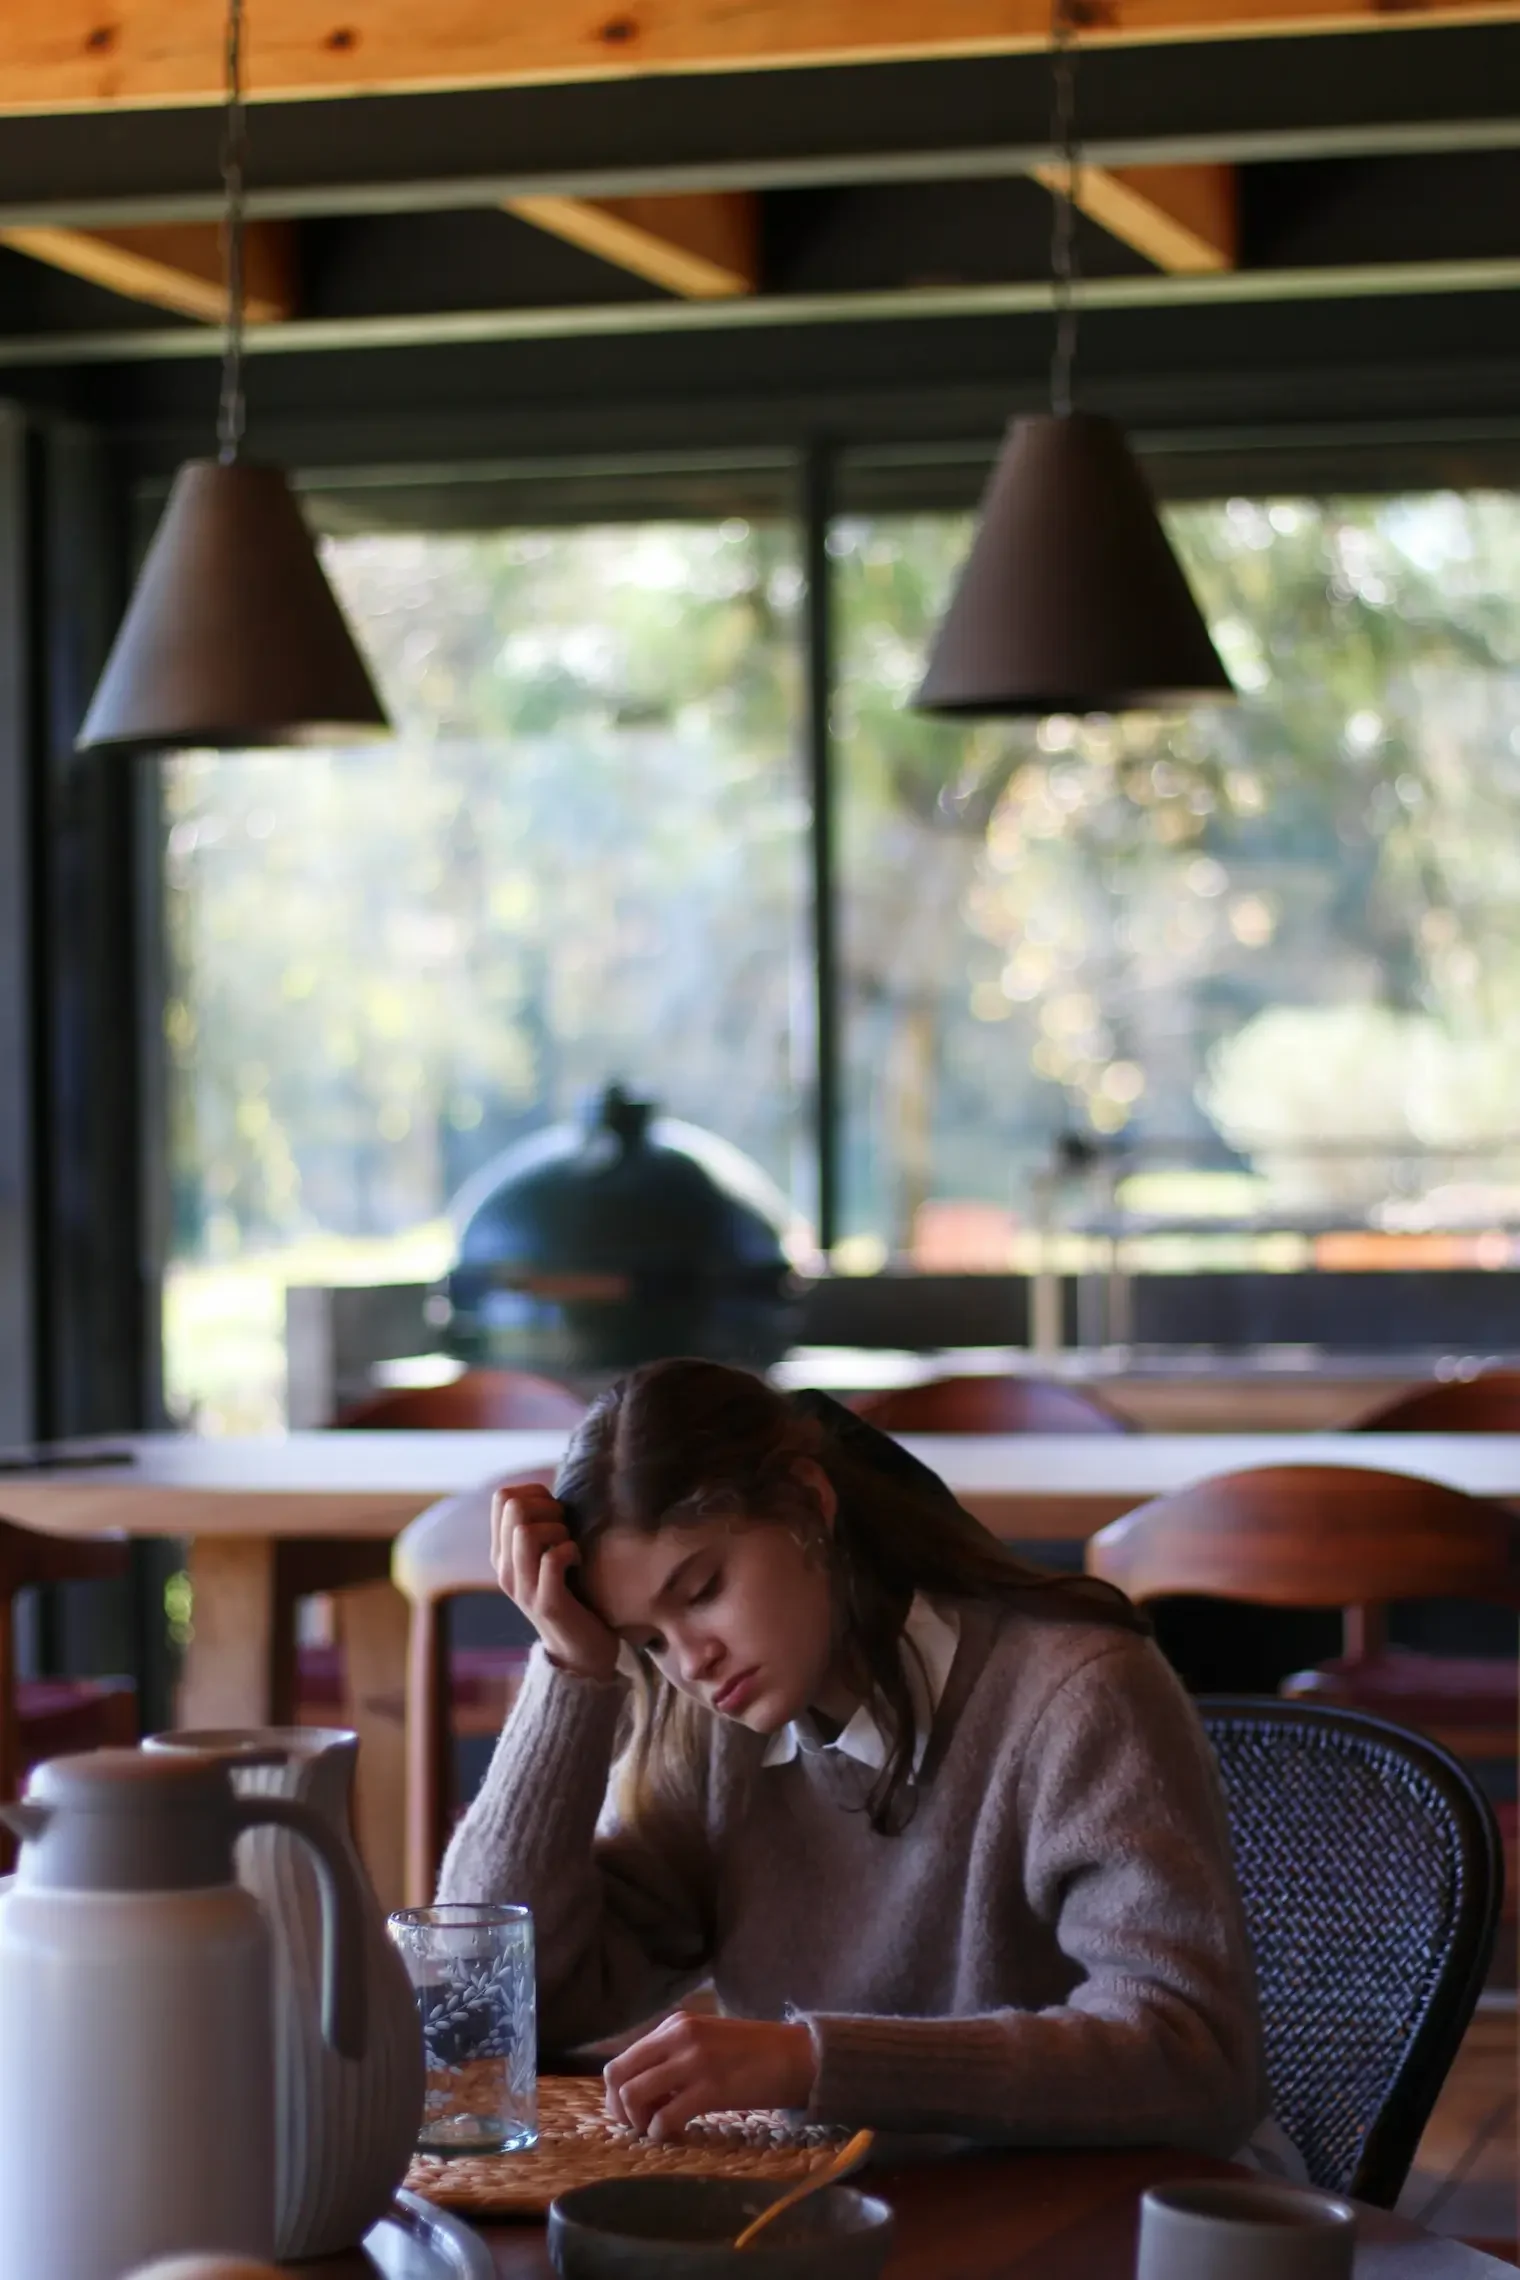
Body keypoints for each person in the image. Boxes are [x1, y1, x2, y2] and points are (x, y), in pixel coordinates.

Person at [439, 1357, 1274, 2157]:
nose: (691, 1662)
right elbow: (493, 2007)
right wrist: (571, 1667)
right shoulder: (714, 1735)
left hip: (1095, 2224)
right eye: (647, 1641)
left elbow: (1192, 2058)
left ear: (808, 1504)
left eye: (702, 1591)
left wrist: (811, 2061)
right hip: (848, 2221)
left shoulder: (1078, 1693)